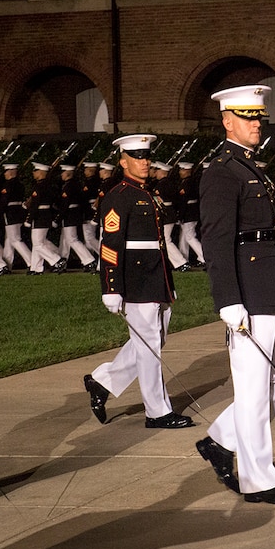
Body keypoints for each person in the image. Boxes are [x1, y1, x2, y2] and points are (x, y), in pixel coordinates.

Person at [195, 84, 275, 505]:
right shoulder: (221, 171)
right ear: (227, 121)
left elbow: (272, 237)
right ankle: (260, 479)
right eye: (248, 118)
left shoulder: (251, 166)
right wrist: (227, 299)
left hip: (273, 285)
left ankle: (222, 438)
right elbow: (217, 241)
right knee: (253, 387)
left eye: (259, 117)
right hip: (247, 289)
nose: (257, 124)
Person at [82, 134, 194, 430]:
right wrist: (111, 288)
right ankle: (157, 411)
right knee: (149, 347)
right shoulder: (119, 195)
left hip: (156, 277)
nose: (144, 162)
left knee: (152, 341)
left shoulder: (148, 192)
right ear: (123, 161)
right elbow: (110, 245)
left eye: (146, 156)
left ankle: (102, 381)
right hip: (135, 280)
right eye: (137, 157)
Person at [25, 161, 67, 275]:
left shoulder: (39, 186)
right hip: (46, 216)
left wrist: (29, 219)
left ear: (41, 172)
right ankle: (36, 267)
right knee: (39, 243)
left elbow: (35, 204)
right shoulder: (48, 186)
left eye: (35, 171)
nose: (33, 173)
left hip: (39, 216)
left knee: (38, 244)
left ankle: (57, 261)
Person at [56, 163, 97, 273]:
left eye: (63, 172)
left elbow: (66, 203)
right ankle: (61, 261)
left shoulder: (69, 185)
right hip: (72, 214)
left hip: (70, 215)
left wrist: (58, 218)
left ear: (68, 174)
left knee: (72, 239)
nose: (61, 175)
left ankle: (88, 260)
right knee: (65, 240)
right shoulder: (72, 184)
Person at [0, 163, 32, 269]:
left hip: (11, 213)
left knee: (15, 239)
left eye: (6, 172)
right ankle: (7, 262)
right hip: (19, 212)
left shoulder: (7, 185)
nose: (4, 174)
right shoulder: (20, 184)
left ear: (11, 173)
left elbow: (4, 201)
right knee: (9, 240)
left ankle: (31, 261)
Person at [176, 161, 206, 266]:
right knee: (183, 238)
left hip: (189, 213)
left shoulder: (187, 183)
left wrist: (181, 215)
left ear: (187, 171)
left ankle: (203, 257)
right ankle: (183, 259)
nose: (180, 172)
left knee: (190, 237)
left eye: (182, 170)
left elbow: (184, 201)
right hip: (191, 212)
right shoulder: (188, 182)